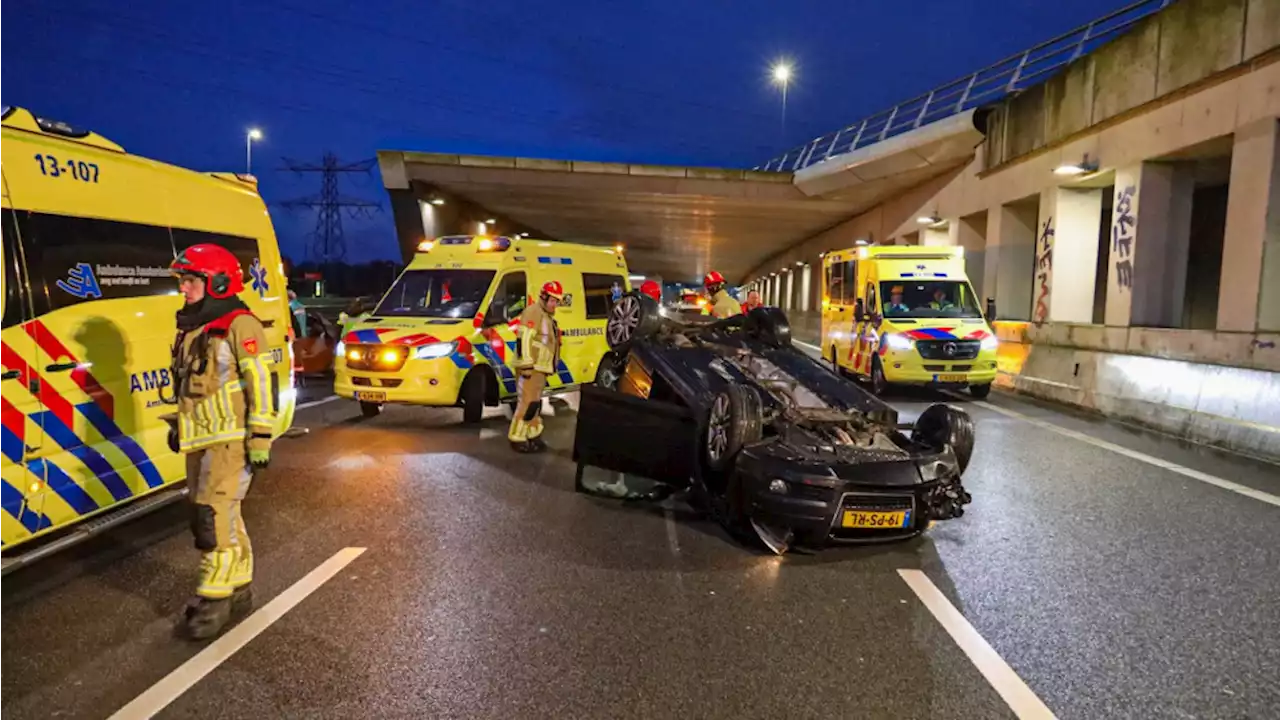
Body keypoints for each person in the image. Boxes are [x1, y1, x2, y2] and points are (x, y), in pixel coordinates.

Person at [169, 243, 276, 639]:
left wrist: (261, 436)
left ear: (216, 282)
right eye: (183, 280)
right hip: (201, 439)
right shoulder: (192, 325)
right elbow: (188, 386)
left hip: (230, 439)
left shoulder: (239, 325)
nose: (184, 288)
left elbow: (262, 383)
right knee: (223, 514)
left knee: (212, 518)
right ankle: (239, 585)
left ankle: (214, 600)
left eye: (191, 280)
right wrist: (179, 426)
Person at [508, 280, 563, 453]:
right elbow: (523, 340)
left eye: (557, 301)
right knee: (526, 403)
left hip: (539, 369)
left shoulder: (546, 315)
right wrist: (526, 366)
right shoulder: (533, 313)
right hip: (531, 369)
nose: (555, 305)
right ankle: (517, 438)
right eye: (553, 300)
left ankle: (533, 434)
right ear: (544, 297)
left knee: (534, 404)